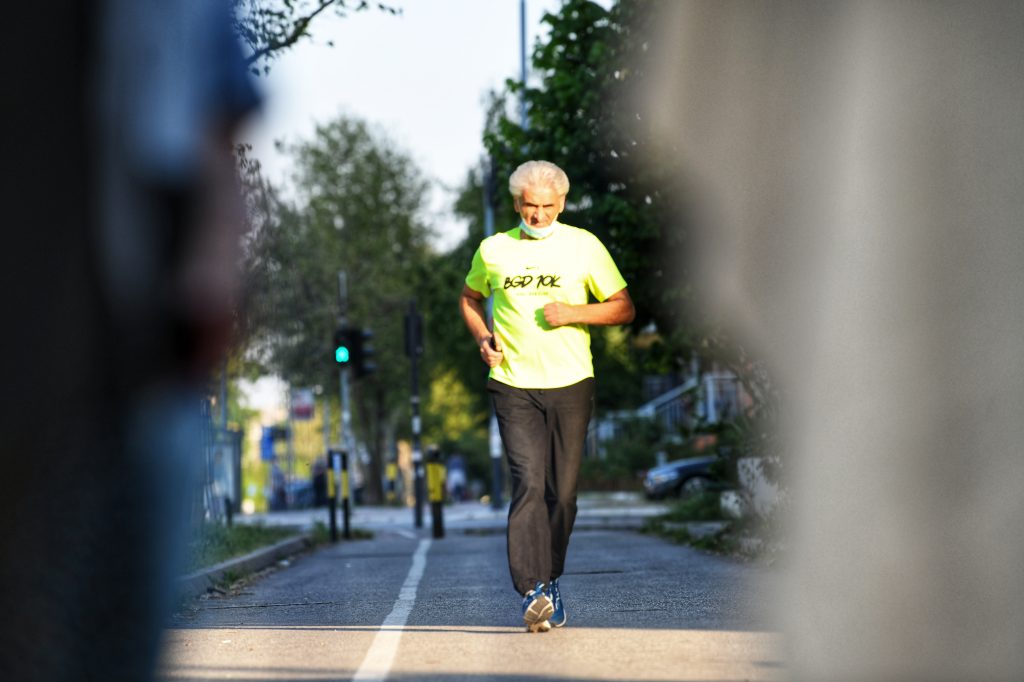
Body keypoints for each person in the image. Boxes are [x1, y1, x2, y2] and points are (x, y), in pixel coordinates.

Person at [459, 160, 635, 633]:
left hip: (572, 383)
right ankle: (532, 589)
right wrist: (483, 339)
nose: (538, 215)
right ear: (517, 203)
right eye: (530, 206)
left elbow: (623, 308)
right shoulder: (494, 250)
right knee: (529, 484)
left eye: (547, 206)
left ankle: (551, 577)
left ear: (562, 204)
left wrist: (575, 312)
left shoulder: (584, 246)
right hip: (513, 384)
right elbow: (469, 298)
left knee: (564, 495)